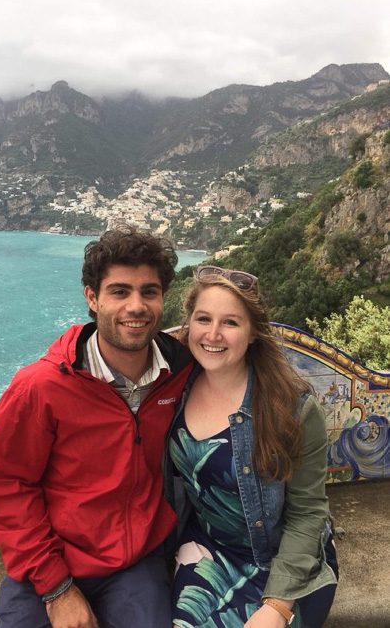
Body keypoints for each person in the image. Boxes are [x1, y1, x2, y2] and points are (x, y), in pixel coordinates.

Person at [0, 228, 194, 628]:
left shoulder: (181, 371)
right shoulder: (41, 387)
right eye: (119, 292)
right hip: (49, 558)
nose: (136, 306)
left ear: (164, 298)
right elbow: (3, 482)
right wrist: (56, 588)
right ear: (92, 298)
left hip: (134, 562)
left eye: (149, 291)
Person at [165, 265, 338, 628]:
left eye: (230, 322)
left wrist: (277, 606)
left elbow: (308, 513)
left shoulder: (292, 408)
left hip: (287, 561)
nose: (213, 334)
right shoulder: (173, 389)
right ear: (188, 326)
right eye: (203, 319)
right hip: (208, 552)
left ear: (254, 332)